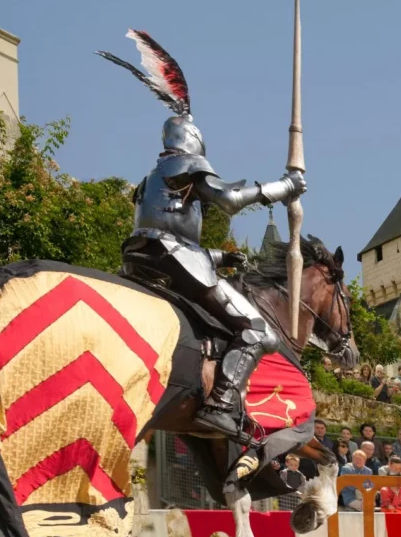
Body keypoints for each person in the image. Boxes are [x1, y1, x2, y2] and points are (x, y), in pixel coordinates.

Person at [106, 31, 308, 444]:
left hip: (145, 257)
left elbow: (170, 229)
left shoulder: (152, 178)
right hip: (171, 257)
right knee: (257, 328)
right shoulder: (185, 164)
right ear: (193, 141)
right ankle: (221, 405)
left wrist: (220, 258)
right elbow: (230, 200)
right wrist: (285, 188)